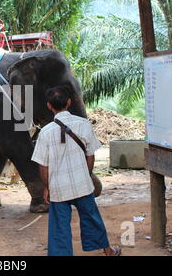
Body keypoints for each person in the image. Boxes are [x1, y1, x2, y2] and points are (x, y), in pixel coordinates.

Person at [31, 85, 121, 256]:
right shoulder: (83, 124)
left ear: (49, 106)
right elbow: (91, 155)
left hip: (58, 188)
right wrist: (85, 176)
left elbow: (43, 165)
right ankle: (108, 251)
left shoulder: (45, 132)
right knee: (92, 218)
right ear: (69, 102)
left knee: (59, 226)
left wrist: (47, 187)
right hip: (82, 185)